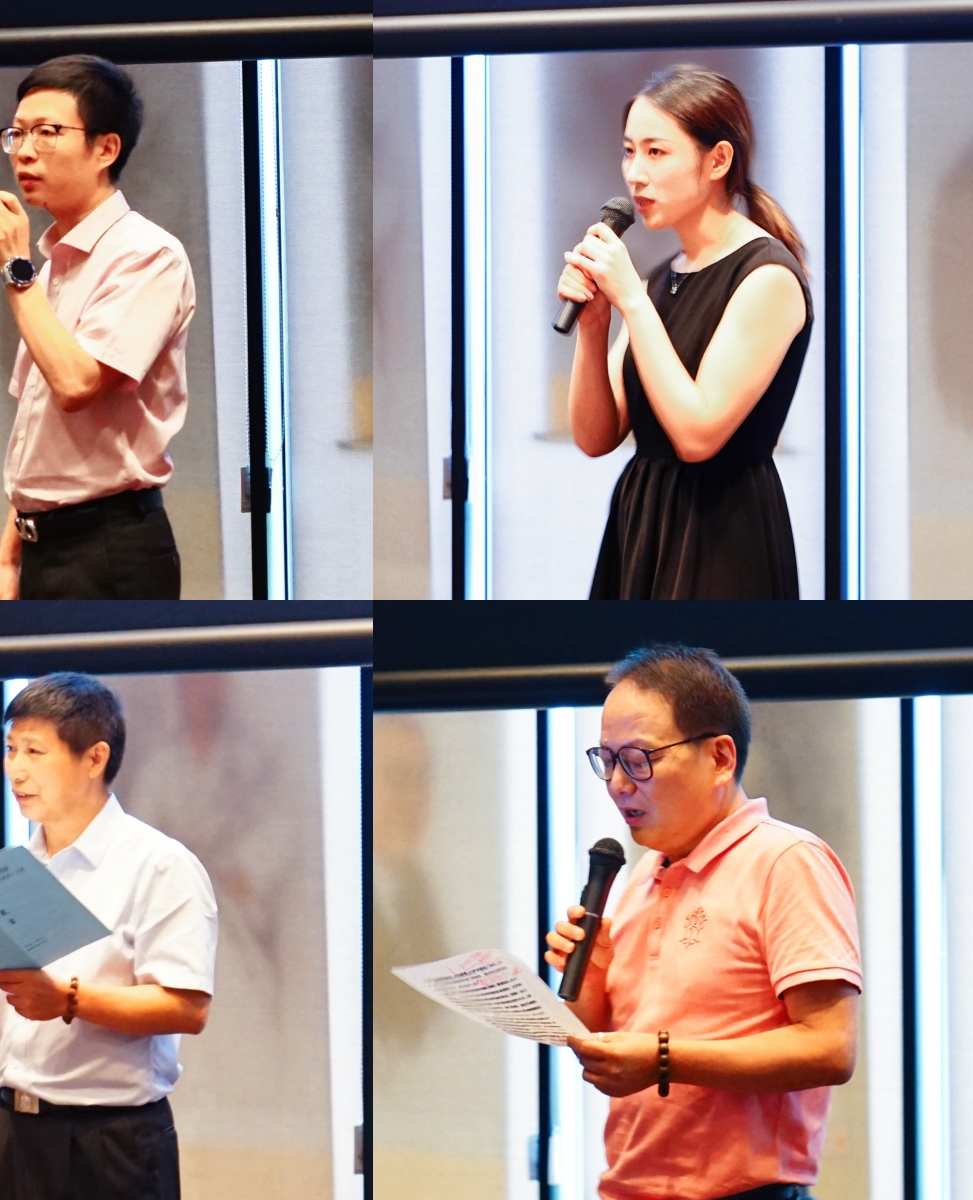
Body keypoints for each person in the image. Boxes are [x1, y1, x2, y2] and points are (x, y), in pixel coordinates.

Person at [544, 646, 860, 1200]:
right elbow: (619, 1047)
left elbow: (829, 1048)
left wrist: (663, 1058)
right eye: (607, 760)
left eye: (638, 759)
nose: (617, 784)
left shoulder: (786, 861)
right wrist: (589, 983)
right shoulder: (643, 874)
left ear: (719, 757)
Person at [0, 673, 217, 1200]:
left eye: (35, 751)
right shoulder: (17, 868)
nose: (15, 768)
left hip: (110, 1142)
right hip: (15, 1131)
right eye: (11, 749)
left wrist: (68, 998)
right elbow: (25, 1025)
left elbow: (187, 1007)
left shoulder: (159, 864)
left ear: (94, 758)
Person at [557, 67, 811, 599]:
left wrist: (630, 300)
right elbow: (594, 436)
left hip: (721, 535)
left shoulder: (767, 276)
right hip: (642, 523)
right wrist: (596, 326)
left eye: (656, 152)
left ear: (717, 160)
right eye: (629, 151)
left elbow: (697, 436)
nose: (635, 174)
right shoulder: (659, 279)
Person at [0, 55, 195, 600]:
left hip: (109, 547)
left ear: (106, 149)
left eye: (47, 133)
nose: (25, 151)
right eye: (17, 134)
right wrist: (8, 560)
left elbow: (77, 384)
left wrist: (15, 269)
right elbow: (37, 434)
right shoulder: (55, 264)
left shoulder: (148, 255)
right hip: (42, 546)